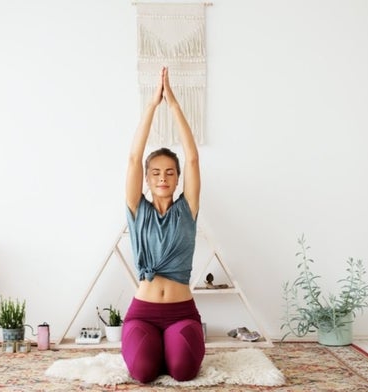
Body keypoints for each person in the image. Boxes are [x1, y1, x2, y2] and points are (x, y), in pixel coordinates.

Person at [122, 66, 205, 383]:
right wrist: (151, 107)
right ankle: (152, 348)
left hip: (181, 312)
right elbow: (133, 158)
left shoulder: (188, 209)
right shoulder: (136, 209)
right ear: (146, 178)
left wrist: (173, 104)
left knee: (183, 371)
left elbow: (194, 158)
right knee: (143, 373)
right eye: (155, 172)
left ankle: (170, 347)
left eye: (170, 172)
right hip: (142, 312)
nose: (162, 178)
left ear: (178, 178)